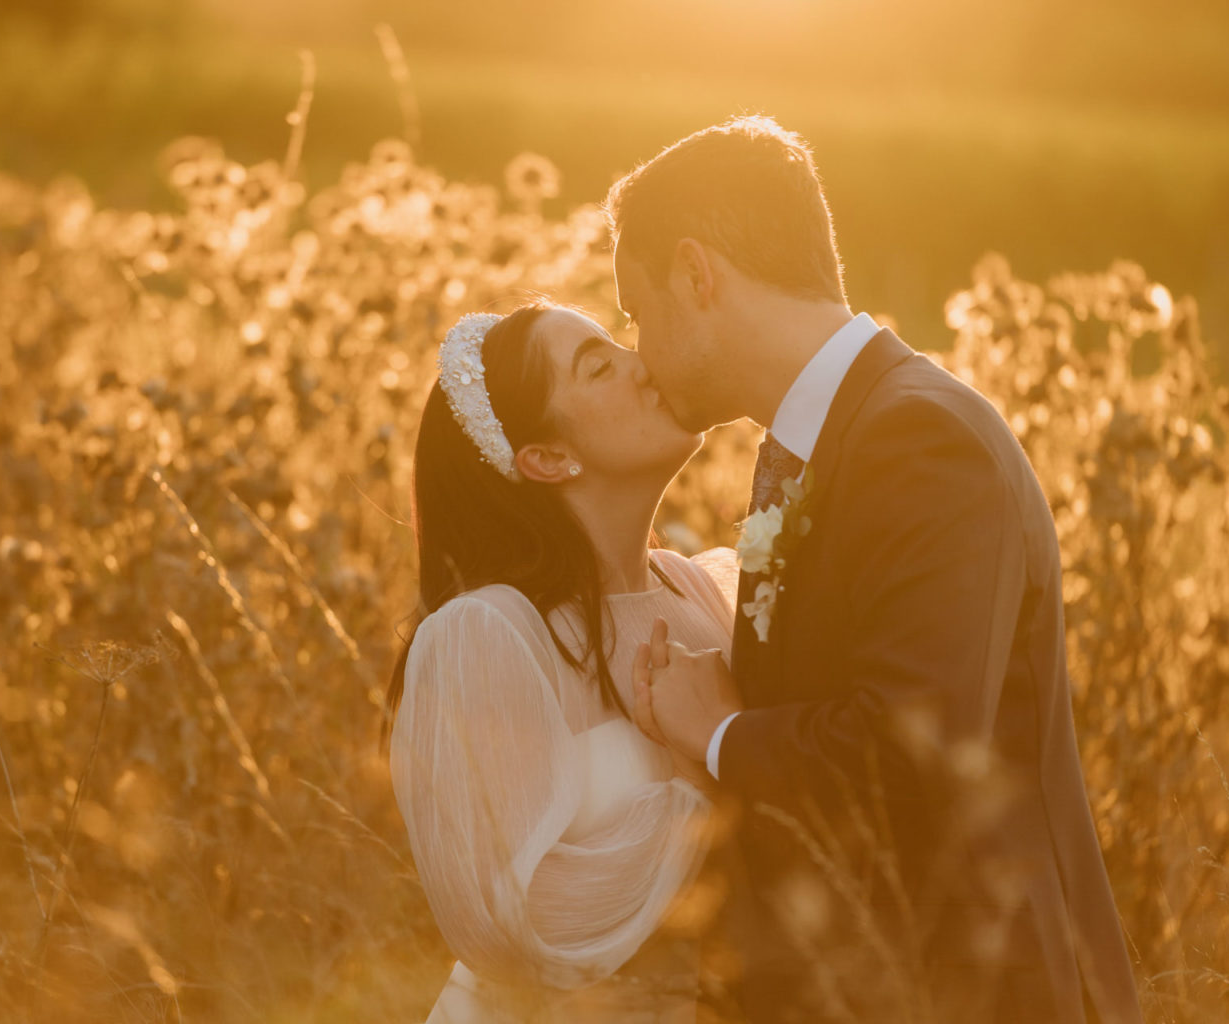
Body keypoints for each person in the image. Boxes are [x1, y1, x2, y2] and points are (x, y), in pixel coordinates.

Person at [609, 115, 1143, 1023]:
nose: (638, 353)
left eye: (636, 312)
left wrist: (721, 736)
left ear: (697, 276)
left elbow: (915, 751)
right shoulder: (803, 448)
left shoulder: (922, 439)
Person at [386, 301, 740, 1021]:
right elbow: (513, 922)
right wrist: (700, 778)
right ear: (548, 458)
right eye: (599, 366)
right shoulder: (485, 636)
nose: (644, 364)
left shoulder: (706, 589)